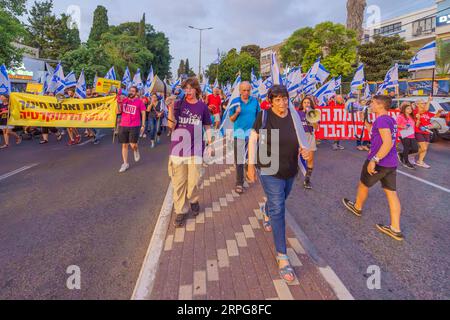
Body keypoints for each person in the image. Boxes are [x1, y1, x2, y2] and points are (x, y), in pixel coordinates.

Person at [247, 85, 311, 283]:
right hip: (268, 168)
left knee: (281, 199)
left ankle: (267, 209)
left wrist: (306, 152)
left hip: (290, 169)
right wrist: (250, 165)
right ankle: (282, 256)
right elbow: (253, 139)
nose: (282, 103)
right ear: (271, 101)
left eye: (285, 99)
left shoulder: (294, 116)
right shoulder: (264, 116)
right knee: (279, 209)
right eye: (278, 100)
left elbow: (303, 141)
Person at [342, 95, 403, 241]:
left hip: (379, 162)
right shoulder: (389, 119)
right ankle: (395, 228)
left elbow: (387, 142)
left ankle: (357, 207)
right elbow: (378, 135)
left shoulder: (381, 120)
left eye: (373, 103)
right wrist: (366, 122)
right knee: (391, 194)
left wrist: (374, 159)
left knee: (363, 184)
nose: (371, 105)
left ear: (380, 105)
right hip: (390, 162)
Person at [167, 77, 212, 228]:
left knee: (193, 182)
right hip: (177, 149)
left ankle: (193, 199)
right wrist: (170, 108)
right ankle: (181, 210)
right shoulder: (178, 104)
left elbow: (207, 126)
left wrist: (211, 143)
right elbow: (171, 127)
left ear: (196, 90)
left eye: (191, 88)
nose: (188, 91)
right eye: (185, 88)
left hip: (196, 149)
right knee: (178, 183)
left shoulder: (202, 107)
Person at [229, 82, 260, 194]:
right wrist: (236, 113)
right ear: (240, 91)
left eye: (248, 90)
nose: (246, 92)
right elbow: (231, 119)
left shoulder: (255, 101)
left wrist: (258, 131)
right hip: (239, 134)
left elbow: (259, 117)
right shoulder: (235, 102)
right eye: (244, 90)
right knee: (239, 160)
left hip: (252, 135)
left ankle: (249, 171)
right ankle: (239, 182)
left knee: (251, 158)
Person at [117, 86, 147, 173]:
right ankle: (125, 163)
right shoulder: (124, 100)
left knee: (133, 145)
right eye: (130, 91)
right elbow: (119, 111)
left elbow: (143, 113)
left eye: (133, 91)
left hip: (135, 125)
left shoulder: (139, 102)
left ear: (136, 93)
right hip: (123, 125)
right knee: (124, 145)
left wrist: (143, 125)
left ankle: (136, 150)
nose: (131, 92)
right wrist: (119, 103)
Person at [413, 96, 442, 169]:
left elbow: (435, 116)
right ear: (417, 104)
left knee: (425, 148)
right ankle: (410, 155)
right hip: (418, 131)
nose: (424, 104)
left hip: (427, 131)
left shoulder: (426, 112)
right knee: (424, 148)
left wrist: (439, 112)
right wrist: (429, 100)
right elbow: (425, 108)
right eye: (422, 103)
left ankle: (420, 161)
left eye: (424, 103)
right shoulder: (416, 111)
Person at [297, 97, 318, 190]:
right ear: (302, 104)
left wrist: (312, 118)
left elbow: (316, 127)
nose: (306, 104)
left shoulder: (314, 113)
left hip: (309, 136)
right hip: (300, 136)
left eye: (308, 103)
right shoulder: (298, 113)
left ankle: (307, 179)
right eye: (305, 102)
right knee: (296, 157)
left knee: (310, 159)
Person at [397, 102, 418, 170]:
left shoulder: (412, 116)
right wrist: (403, 126)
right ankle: (406, 162)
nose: (410, 110)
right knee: (407, 148)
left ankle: (402, 154)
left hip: (411, 134)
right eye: (408, 108)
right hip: (404, 133)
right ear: (404, 109)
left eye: (411, 109)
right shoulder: (401, 116)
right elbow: (395, 124)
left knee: (415, 149)